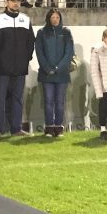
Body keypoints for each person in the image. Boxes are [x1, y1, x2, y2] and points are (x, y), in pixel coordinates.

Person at [0, 0, 35, 138]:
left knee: (18, 99)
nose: (16, 3)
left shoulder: (25, 19)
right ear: (6, 2)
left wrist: (26, 58)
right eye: (13, 1)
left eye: (18, 1)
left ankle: (16, 129)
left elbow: (31, 41)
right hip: (2, 67)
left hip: (20, 67)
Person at [35, 8, 74, 137]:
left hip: (62, 74)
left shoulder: (66, 32)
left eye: (57, 17)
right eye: (52, 17)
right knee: (48, 101)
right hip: (46, 74)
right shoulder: (41, 32)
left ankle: (59, 127)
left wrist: (58, 68)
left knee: (60, 101)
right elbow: (39, 52)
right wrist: (47, 68)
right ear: (48, 19)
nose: (55, 20)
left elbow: (69, 53)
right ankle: (49, 127)